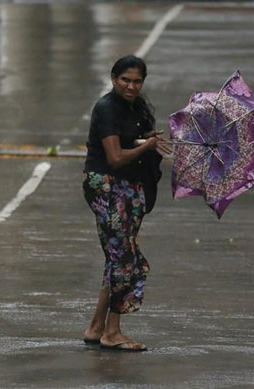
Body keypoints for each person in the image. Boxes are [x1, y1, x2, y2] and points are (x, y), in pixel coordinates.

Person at [82, 55, 170, 351]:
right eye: (125, 80)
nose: (131, 86)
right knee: (124, 259)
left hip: (130, 189)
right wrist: (146, 146)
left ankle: (96, 327)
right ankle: (112, 332)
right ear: (113, 79)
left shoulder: (136, 108)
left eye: (137, 81)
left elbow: (131, 141)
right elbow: (116, 158)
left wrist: (148, 138)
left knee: (117, 256)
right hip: (108, 187)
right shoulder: (106, 108)